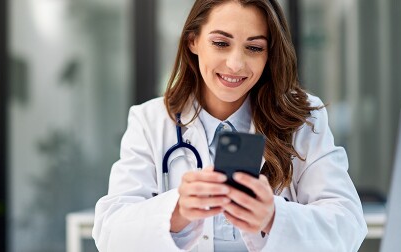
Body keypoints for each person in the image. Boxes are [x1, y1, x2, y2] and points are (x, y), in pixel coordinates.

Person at [92, 0, 367, 251]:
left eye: (254, 47)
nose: (235, 64)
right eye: (221, 43)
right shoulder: (150, 120)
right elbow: (110, 234)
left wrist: (273, 217)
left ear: (269, 54)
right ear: (193, 41)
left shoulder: (303, 119)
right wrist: (177, 211)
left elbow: (348, 225)